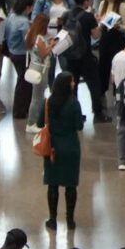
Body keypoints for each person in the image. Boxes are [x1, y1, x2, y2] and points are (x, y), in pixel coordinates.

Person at [41, 73, 84, 230]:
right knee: (70, 185)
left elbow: (40, 122)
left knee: (53, 184)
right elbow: (79, 126)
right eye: (71, 81)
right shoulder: (74, 103)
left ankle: (52, 219)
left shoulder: (48, 102)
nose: (73, 83)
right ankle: (70, 220)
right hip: (71, 148)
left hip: (52, 148)